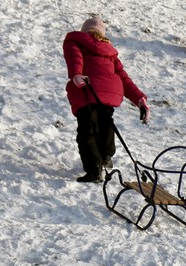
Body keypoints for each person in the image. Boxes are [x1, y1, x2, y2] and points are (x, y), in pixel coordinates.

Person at [63, 16, 149, 183]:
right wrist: (139, 99)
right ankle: (106, 155)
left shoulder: (76, 40)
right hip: (110, 92)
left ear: (85, 31)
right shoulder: (110, 52)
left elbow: (75, 58)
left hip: (87, 88)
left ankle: (94, 170)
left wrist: (76, 75)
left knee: (87, 129)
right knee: (104, 123)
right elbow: (124, 78)